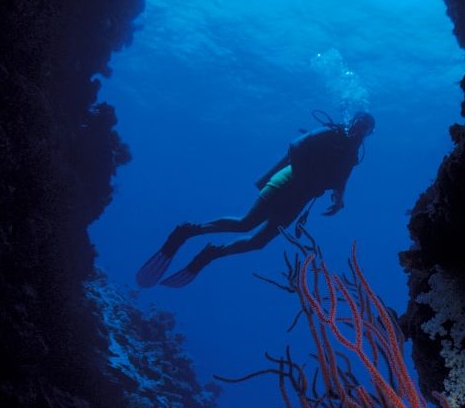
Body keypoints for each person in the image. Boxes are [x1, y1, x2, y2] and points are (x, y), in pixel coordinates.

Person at [136, 111, 375, 288]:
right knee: (245, 224)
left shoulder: (352, 155)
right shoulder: (330, 133)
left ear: (368, 133)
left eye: (365, 128)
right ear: (351, 121)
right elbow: (295, 145)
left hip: (300, 199)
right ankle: (186, 232)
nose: (360, 129)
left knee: (259, 242)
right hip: (286, 183)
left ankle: (211, 254)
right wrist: (301, 177)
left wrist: (339, 198)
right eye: (359, 123)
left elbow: (342, 178)